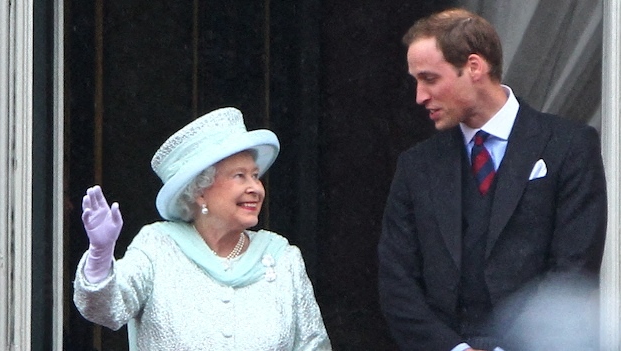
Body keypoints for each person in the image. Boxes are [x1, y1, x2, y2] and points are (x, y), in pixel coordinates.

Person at [378, 8, 606, 351]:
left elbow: (574, 270)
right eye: (416, 82)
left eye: (430, 78)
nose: (420, 96)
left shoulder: (569, 147)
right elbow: (397, 282)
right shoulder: (416, 166)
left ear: (474, 67)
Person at [73, 107, 332, 350]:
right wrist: (100, 254)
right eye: (239, 176)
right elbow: (107, 310)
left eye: (255, 175)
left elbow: (313, 345)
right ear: (200, 191)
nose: (255, 188)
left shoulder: (283, 259)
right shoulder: (157, 248)